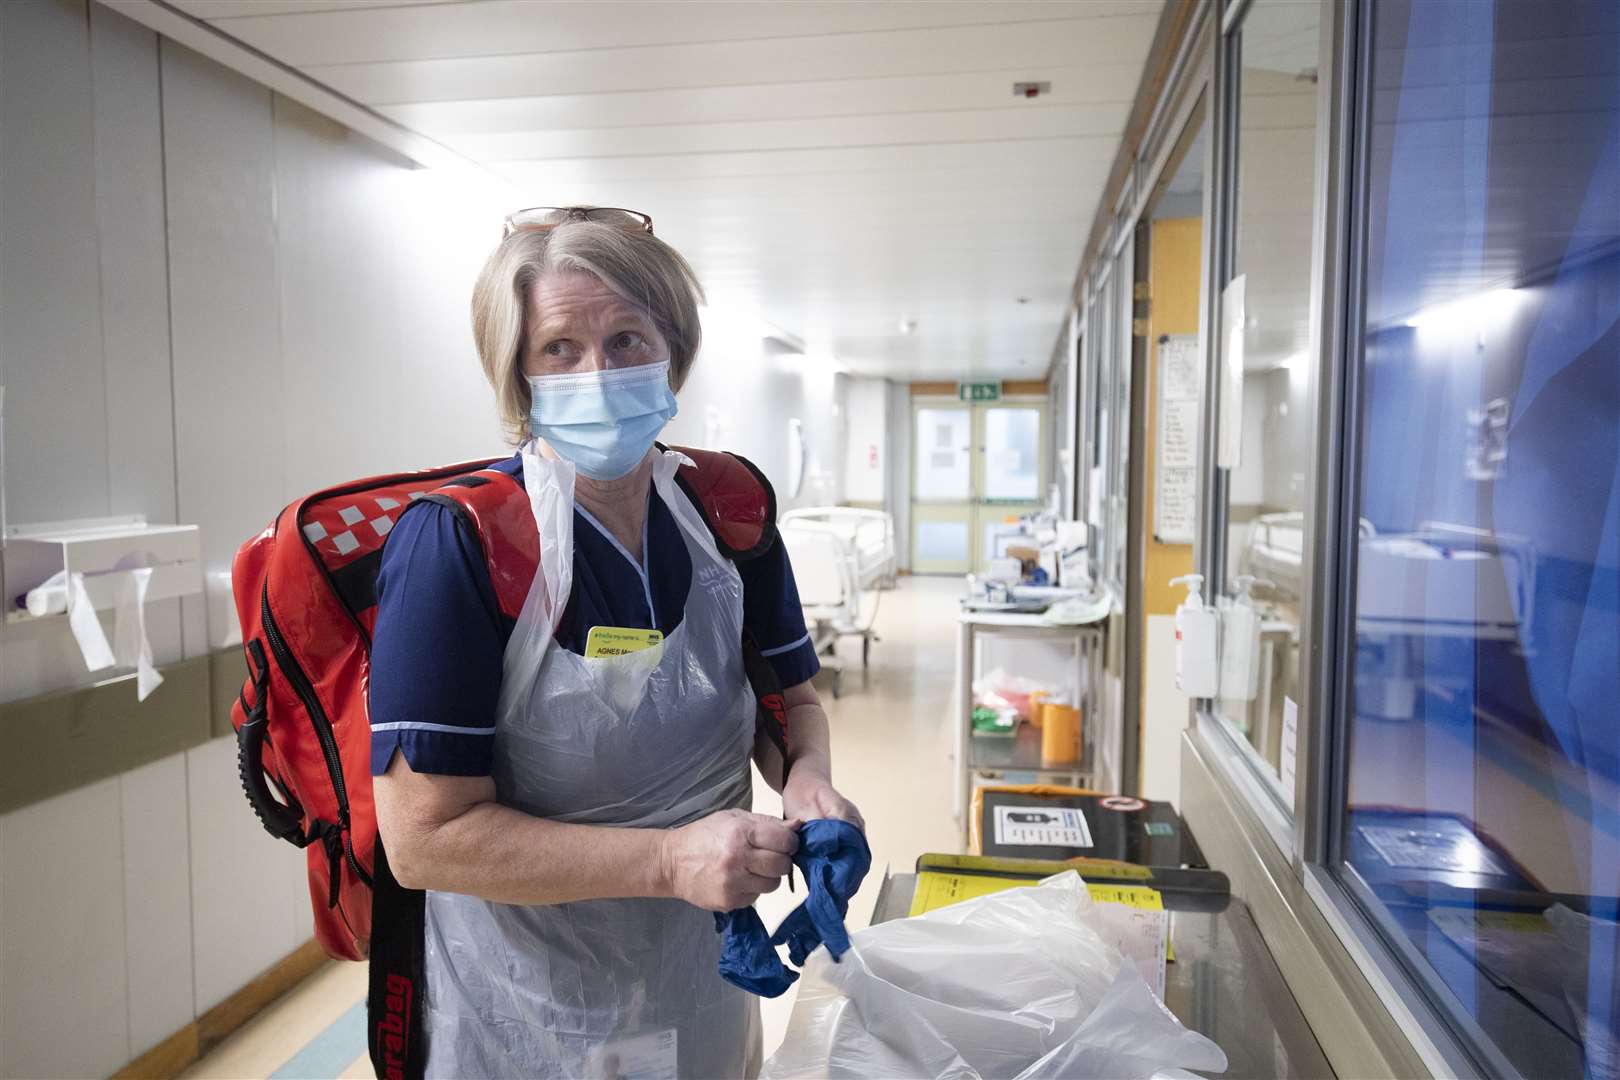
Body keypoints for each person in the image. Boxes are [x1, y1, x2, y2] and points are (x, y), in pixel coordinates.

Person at [368, 206, 863, 1078]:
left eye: (628, 338)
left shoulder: (726, 511)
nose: (599, 372)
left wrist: (807, 779)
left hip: (701, 987)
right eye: (561, 347)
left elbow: (791, 698)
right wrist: (670, 858)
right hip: (526, 1020)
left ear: (673, 347)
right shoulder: (458, 545)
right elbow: (423, 841)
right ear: (518, 370)